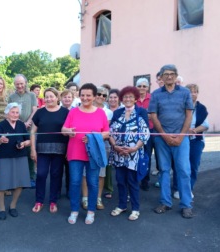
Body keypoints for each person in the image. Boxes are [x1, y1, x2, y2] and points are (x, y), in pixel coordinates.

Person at [149, 64, 194, 219]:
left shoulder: (185, 92)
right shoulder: (155, 94)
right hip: (162, 139)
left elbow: (189, 115)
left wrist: (181, 136)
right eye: (166, 74)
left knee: (184, 171)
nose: (169, 76)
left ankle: (186, 205)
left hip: (182, 139)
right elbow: (153, 116)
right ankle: (165, 202)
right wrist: (165, 135)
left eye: (172, 74)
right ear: (161, 76)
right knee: (163, 171)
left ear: (176, 76)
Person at [62, 83, 109, 225]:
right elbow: (64, 129)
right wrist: (69, 132)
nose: (85, 98)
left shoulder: (101, 113)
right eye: (82, 95)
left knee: (93, 183)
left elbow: (106, 133)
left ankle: (91, 211)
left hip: (93, 154)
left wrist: (92, 137)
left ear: (94, 97)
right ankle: (74, 210)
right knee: (75, 182)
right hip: (75, 152)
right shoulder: (73, 112)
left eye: (88, 95)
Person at [108, 86, 150, 221]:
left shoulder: (141, 112)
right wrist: (115, 146)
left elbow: (145, 133)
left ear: (135, 98)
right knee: (120, 181)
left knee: (132, 182)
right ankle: (121, 205)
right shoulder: (117, 113)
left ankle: (135, 209)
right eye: (125, 97)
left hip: (134, 154)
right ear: (122, 99)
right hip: (118, 153)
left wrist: (134, 148)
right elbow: (111, 132)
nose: (128, 99)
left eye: (131, 97)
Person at [30, 88, 69, 213]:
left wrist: (69, 150)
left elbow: (69, 131)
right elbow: (32, 132)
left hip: (60, 149)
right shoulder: (40, 112)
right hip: (42, 149)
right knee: (41, 174)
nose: (49, 99)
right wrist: (32, 149)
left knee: (56, 175)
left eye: (51, 96)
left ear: (57, 97)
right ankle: (39, 201)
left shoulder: (65, 112)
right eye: (46, 97)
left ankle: (53, 201)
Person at [0, 103, 31, 220]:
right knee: (2, 183)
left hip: (20, 156)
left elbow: (28, 140)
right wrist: (0, 140)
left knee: (20, 182)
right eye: (12, 112)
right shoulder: (1, 125)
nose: (15, 115)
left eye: (17, 112)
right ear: (7, 113)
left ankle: (13, 205)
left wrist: (24, 144)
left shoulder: (21, 124)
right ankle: (1, 208)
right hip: (4, 157)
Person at [173, 84, 208, 199]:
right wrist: (185, 130)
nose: (193, 94)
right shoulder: (180, 107)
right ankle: (178, 189)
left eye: (195, 91)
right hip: (182, 139)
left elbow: (205, 125)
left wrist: (193, 131)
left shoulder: (202, 108)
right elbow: (175, 123)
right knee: (180, 165)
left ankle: (189, 189)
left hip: (196, 140)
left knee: (193, 166)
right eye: (190, 92)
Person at [8, 74, 37, 186]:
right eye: (17, 84)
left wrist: (28, 121)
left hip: (30, 127)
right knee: (17, 150)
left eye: (21, 83)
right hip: (17, 127)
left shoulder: (32, 95)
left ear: (25, 83)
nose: (19, 86)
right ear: (14, 84)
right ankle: (18, 178)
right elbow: (11, 112)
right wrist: (20, 123)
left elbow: (35, 110)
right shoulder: (11, 97)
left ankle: (31, 177)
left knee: (30, 152)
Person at [135, 78, 155, 191]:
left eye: (144, 86)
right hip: (136, 132)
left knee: (146, 156)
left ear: (147, 87)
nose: (142, 88)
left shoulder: (152, 99)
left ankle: (145, 180)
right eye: (139, 86)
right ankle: (135, 179)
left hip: (150, 130)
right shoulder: (133, 99)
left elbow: (155, 115)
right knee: (135, 156)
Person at [59, 89, 75, 196]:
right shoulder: (58, 110)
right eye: (65, 97)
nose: (67, 99)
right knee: (58, 169)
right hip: (60, 142)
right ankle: (57, 190)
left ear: (73, 98)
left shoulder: (76, 110)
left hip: (73, 143)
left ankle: (70, 190)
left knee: (70, 169)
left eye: (69, 97)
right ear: (61, 99)